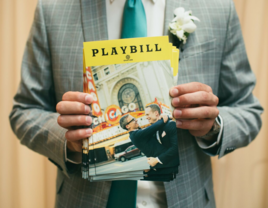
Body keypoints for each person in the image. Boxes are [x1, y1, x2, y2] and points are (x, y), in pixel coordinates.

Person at [9, 0, 263, 208]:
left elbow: (248, 109)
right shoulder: (52, 9)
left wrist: (214, 126)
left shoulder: (217, 7)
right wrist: (67, 140)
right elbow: (24, 110)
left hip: (188, 198)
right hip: (84, 199)